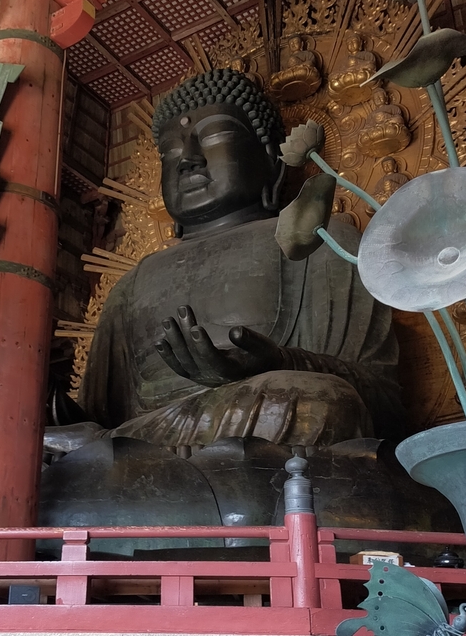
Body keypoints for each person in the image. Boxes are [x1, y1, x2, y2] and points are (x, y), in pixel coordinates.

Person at [47, 70, 404, 454]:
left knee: (320, 404)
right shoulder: (131, 286)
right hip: (151, 442)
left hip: (266, 417)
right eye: (170, 152)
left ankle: (140, 455)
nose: (188, 160)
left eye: (216, 137)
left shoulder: (323, 240)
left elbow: (384, 403)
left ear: (273, 164)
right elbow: (97, 417)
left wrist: (280, 361)